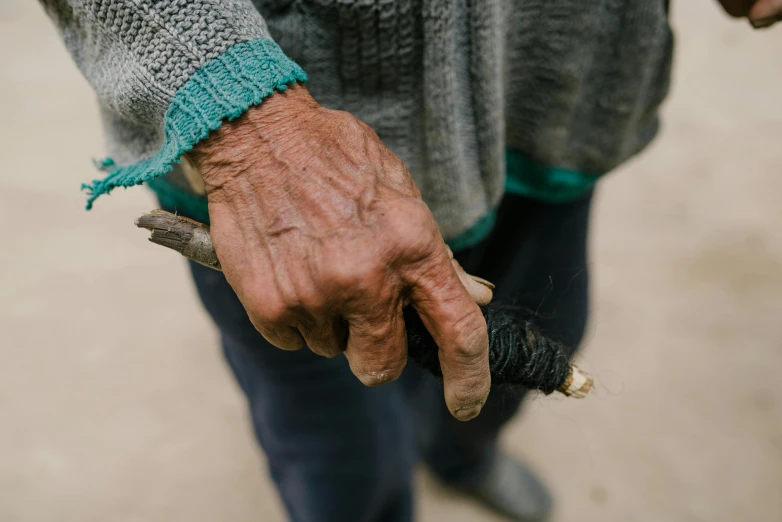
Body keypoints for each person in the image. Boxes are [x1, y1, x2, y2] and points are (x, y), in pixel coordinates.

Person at [40, 1, 780, 521]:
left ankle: (461, 459)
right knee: (342, 463)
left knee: (513, 368)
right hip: (298, 182)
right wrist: (243, 120)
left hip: (556, 100)